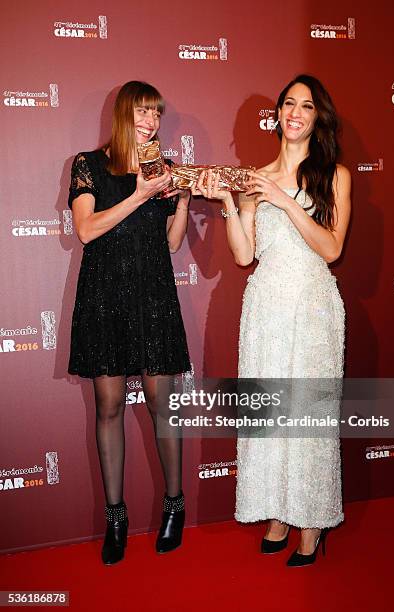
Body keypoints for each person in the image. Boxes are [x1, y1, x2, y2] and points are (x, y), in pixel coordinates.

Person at [195, 74, 351, 566]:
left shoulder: (336, 176)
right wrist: (227, 203)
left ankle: (311, 522)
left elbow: (331, 248)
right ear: (278, 115)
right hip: (264, 309)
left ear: (317, 118)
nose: (295, 112)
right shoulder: (253, 178)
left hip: (312, 307)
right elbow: (244, 256)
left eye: (306, 105)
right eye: (289, 103)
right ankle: (276, 512)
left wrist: (285, 200)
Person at [68, 81, 191, 564]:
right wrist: (141, 195)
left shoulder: (165, 171)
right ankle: (114, 517)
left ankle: (174, 507)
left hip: (154, 297)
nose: (151, 122)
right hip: (104, 300)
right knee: (109, 407)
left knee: (163, 405)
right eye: (143, 112)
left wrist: (179, 199)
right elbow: (86, 230)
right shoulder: (88, 164)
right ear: (124, 115)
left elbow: (174, 244)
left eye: (157, 114)